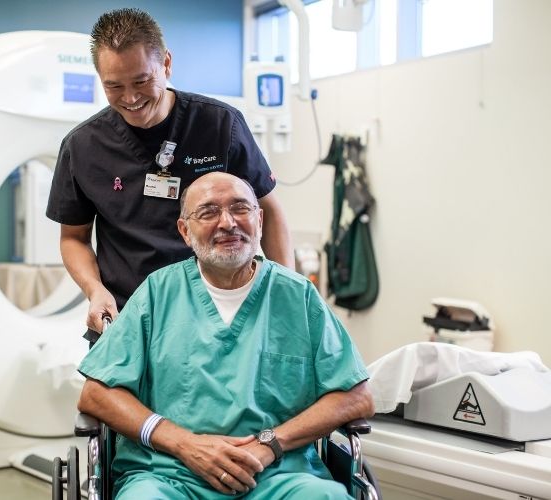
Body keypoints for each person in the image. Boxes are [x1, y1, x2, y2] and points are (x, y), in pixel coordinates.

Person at [77, 172, 375, 499]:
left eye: (240, 208)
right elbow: (97, 394)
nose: (228, 223)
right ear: (184, 231)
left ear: (259, 220)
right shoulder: (158, 293)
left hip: (278, 476)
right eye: (208, 212)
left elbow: (356, 396)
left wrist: (272, 443)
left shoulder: (297, 296)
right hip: (169, 475)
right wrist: (184, 443)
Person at [46, 8, 293, 334]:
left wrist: (289, 292)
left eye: (142, 80)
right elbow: (73, 238)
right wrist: (94, 289)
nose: (131, 98)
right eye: (114, 86)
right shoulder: (82, 146)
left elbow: (268, 210)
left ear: (166, 63)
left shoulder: (219, 125)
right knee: (99, 388)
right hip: (126, 315)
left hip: (219, 314)